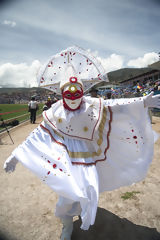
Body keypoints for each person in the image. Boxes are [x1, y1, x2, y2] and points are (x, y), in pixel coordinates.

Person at [4, 46, 160, 240]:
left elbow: (114, 107)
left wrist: (142, 102)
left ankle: (80, 211)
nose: (72, 98)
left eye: (76, 93)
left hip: (89, 160)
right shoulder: (55, 112)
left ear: (81, 92)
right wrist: (16, 155)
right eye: (67, 94)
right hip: (67, 161)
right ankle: (67, 225)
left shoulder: (91, 105)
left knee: (88, 190)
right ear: (62, 94)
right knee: (67, 196)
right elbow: (38, 133)